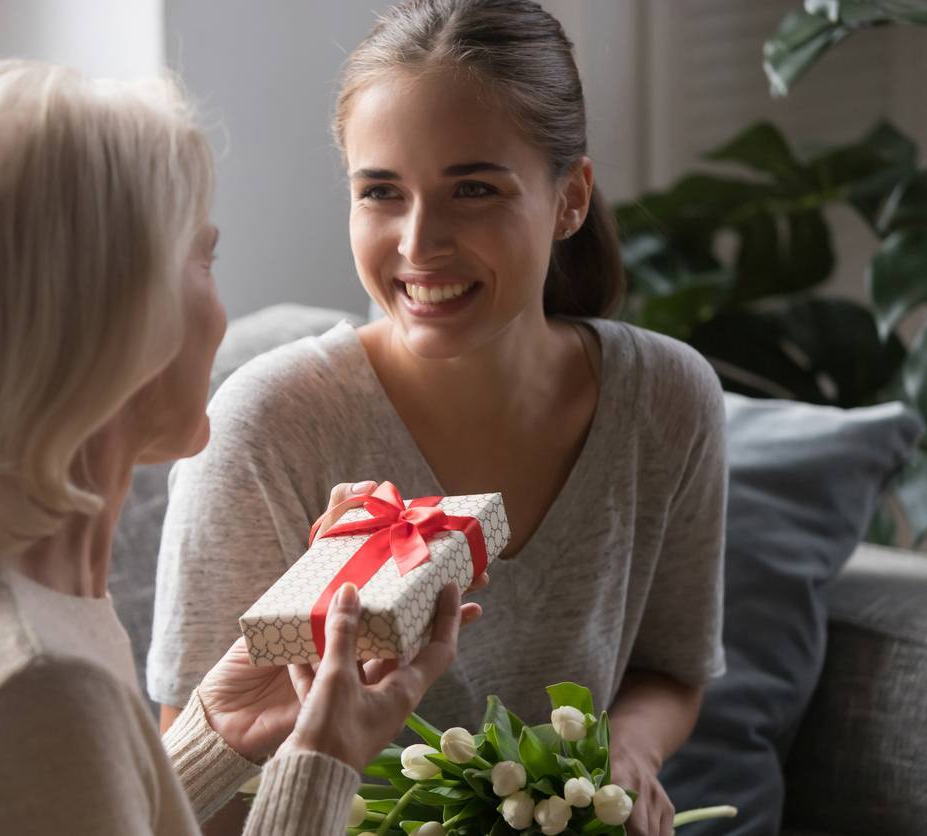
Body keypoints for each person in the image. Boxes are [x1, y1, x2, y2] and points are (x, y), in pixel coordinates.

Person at [0, 59, 481, 836]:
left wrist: (215, 737)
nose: (222, 312)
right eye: (204, 257)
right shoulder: (27, 686)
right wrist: (322, 762)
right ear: (115, 321)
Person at [149, 2, 728, 835]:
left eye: (474, 190)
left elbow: (672, 669)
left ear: (570, 200)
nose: (420, 243)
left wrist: (626, 753)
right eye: (381, 192)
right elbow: (189, 792)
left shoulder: (670, 399)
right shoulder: (263, 429)